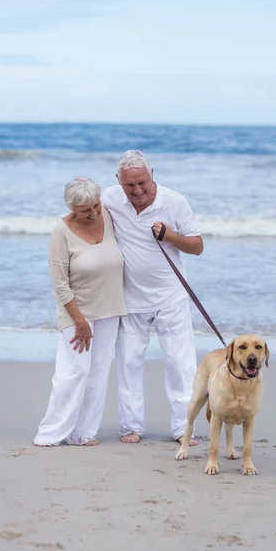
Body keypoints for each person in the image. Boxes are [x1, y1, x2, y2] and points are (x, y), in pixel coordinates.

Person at [101, 150, 204, 444]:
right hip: (129, 298)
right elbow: (85, 213)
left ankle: (183, 429)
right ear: (118, 182)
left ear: (152, 175)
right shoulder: (110, 198)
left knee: (179, 364)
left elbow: (197, 246)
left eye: (142, 183)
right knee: (128, 363)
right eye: (129, 186)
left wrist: (170, 236)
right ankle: (131, 427)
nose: (136, 191)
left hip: (171, 297)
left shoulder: (174, 202)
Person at [34, 177, 127, 447]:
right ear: (73, 208)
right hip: (78, 314)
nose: (94, 213)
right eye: (86, 210)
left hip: (110, 308)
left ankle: (84, 433)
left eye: (96, 205)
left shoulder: (108, 216)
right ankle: (50, 433)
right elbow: (60, 284)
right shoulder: (61, 232)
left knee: (98, 373)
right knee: (73, 373)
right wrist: (79, 320)